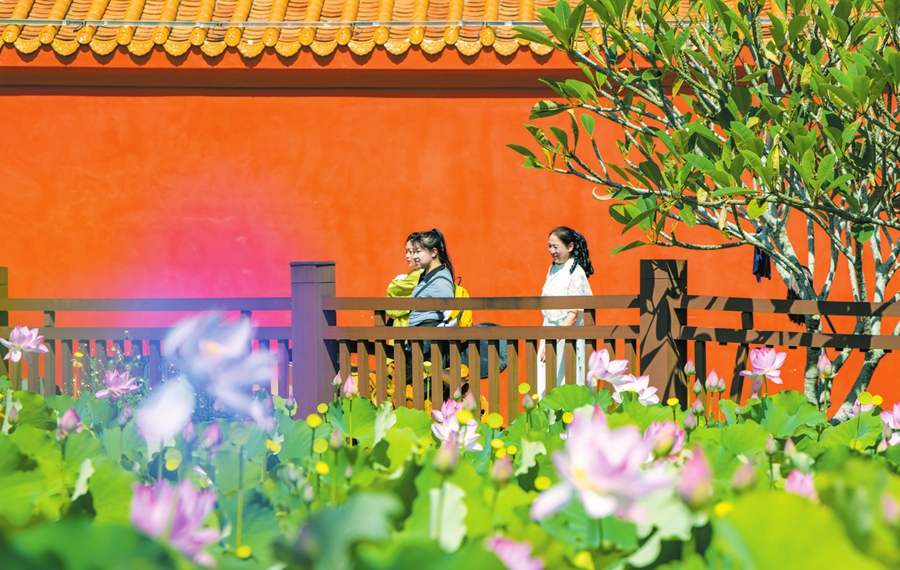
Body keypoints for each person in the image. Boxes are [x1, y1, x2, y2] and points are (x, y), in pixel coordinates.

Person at [537, 226, 594, 395]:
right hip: (549, 331)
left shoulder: (576, 273)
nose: (551, 251)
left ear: (570, 246)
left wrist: (553, 341)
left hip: (566, 335)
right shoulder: (552, 269)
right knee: (546, 382)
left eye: (556, 246)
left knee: (566, 382)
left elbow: (573, 313)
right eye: (549, 246)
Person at [385, 233, 423, 328]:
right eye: (406, 252)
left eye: (411, 252)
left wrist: (397, 280)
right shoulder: (416, 274)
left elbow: (392, 290)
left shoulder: (419, 275)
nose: (407, 256)